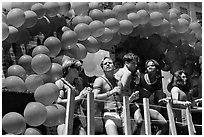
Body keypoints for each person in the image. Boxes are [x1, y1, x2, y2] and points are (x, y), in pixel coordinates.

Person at [55, 58, 92, 135]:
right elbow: (58, 101)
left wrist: (85, 95)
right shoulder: (60, 83)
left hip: (77, 118)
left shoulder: (79, 82)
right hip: (64, 119)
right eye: (77, 68)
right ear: (69, 69)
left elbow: (82, 104)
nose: (79, 71)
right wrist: (78, 97)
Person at [114, 52, 145, 135]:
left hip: (121, 101)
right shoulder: (127, 73)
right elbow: (121, 89)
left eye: (136, 63)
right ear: (127, 63)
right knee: (138, 122)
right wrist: (130, 98)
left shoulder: (118, 71)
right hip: (125, 102)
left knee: (136, 122)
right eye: (133, 63)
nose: (135, 66)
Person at [93, 57, 124, 135]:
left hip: (122, 114)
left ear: (114, 66)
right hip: (109, 115)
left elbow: (120, 100)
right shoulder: (99, 80)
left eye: (110, 63)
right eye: (105, 63)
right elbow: (94, 97)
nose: (108, 64)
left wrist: (131, 99)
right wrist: (110, 92)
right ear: (102, 67)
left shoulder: (118, 82)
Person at [136, 59, 168, 135]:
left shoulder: (158, 82)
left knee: (164, 124)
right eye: (148, 66)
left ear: (156, 68)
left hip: (149, 107)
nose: (150, 67)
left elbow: (158, 95)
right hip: (137, 106)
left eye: (152, 65)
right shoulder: (140, 77)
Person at [168, 70, 194, 135]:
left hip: (187, 114)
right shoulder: (175, 89)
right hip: (180, 115)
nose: (185, 79)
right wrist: (184, 103)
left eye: (185, 77)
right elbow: (174, 101)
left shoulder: (184, 90)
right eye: (183, 77)